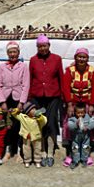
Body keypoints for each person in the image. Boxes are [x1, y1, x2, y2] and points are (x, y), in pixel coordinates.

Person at [29, 34, 64, 167]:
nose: (43, 48)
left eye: (45, 46)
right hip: (37, 97)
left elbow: (61, 77)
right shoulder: (33, 60)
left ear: (49, 46)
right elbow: (30, 79)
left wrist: (63, 97)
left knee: (51, 124)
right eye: (40, 46)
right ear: (37, 47)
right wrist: (29, 99)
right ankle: (42, 152)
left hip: (53, 97)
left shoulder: (57, 59)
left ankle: (50, 153)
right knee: (40, 124)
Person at [62, 47, 94, 167]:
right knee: (70, 129)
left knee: (87, 130)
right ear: (75, 57)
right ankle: (70, 154)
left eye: (84, 57)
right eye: (79, 56)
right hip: (72, 104)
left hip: (87, 105)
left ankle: (86, 155)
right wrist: (69, 104)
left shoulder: (92, 71)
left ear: (87, 58)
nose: (81, 59)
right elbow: (66, 87)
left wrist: (92, 104)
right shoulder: (70, 70)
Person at [0, 41, 30, 161]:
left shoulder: (23, 66)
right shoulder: (2, 67)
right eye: (10, 52)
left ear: (18, 53)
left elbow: (26, 85)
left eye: (14, 52)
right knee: (7, 126)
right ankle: (9, 151)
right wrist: (2, 101)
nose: (12, 54)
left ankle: (20, 151)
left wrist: (21, 102)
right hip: (6, 100)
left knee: (20, 125)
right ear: (7, 53)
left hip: (18, 99)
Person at [10, 102, 47, 168]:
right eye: (32, 109)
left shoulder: (38, 118)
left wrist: (39, 116)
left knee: (37, 148)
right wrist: (16, 110)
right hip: (26, 136)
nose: (34, 110)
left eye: (34, 109)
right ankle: (27, 161)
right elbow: (15, 114)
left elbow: (44, 121)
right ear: (27, 112)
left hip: (36, 136)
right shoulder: (23, 117)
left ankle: (37, 161)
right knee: (26, 149)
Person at [68, 103, 94, 169]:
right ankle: (75, 161)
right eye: (78, 113)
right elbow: (70, 126)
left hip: (86, 137)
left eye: (82, 113)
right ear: (75, 112)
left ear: (85, 112)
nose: (80, 114)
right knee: (75, 149)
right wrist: (76, 125)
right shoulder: (72, 118)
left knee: (86, 148)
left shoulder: (88, 117)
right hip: (75, 138)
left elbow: (93, 123)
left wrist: (88, 127)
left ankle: (84, 160)